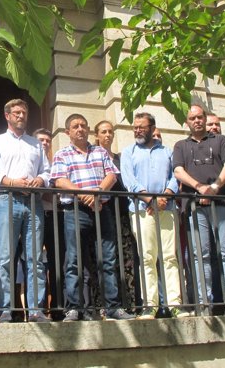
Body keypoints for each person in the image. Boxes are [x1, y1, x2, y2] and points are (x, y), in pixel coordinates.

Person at [52, 114, 134, 322]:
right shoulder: (62, 154)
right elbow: (60, 181)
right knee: (73, 260)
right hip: (75, 211)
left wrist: (96, 192)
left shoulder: (100, 152)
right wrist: (84, 195)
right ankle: (75, 308)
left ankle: (113, 308)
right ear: (67, 132)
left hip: (101, 209)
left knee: (108, 259)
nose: (79, 129)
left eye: (83, 126)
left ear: (88, 129)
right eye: (75, 126)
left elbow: (112, 175)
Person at [172, 104, 225, 316]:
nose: (197, 121)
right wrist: (200, 188)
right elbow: (178, 171)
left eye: (200, 117)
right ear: (187, 122)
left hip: (221, 203)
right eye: (192, 118)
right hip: (195, 206)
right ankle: (204, 303)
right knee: (201, 255)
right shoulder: (181, 146)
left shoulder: (220, 141)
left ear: (205, 119)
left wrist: (214, 188)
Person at [0, 98, 50, 323]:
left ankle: (35, 310)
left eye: (24, 113)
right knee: (5, 258)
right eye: (17, 113)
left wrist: (40, 180)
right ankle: (5, 310)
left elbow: (47, 171)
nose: (21, 116)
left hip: (33, 203)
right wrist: (10, 181)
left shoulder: (35, 144)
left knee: (35, 258)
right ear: (7, 116)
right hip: (7, 200)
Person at [121, 112, 189, 319]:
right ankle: (150, 305)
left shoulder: (167, 152)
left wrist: (165, 197)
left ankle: (175, 304)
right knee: (147, 257)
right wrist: (150, 200)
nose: (138, 130)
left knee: (169, 257)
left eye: (142, 127)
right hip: (142, 210)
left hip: (167, 209)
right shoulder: (128, 152)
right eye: (135, 127)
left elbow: (174, 178)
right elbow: (129, 180)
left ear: (152, 128)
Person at [94, 120, 137, 309]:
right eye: (103, 131)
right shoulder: (93, 156)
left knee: (126, 258)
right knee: (105, 259)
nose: (108, 135)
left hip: (121, 214)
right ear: (96, 136)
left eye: (110, 131)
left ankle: (129, 303)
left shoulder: (120, 158)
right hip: (102, 213)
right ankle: (103, 304)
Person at [34, 128, 64, 320]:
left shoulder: (56, 163)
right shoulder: (33, 163)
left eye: (47, 140)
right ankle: (37, 306)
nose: (44, 143)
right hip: (36, 214)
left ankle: (56, 307)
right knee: (34, 260)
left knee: (57, 261)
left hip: (55, 215)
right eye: (41, 140)